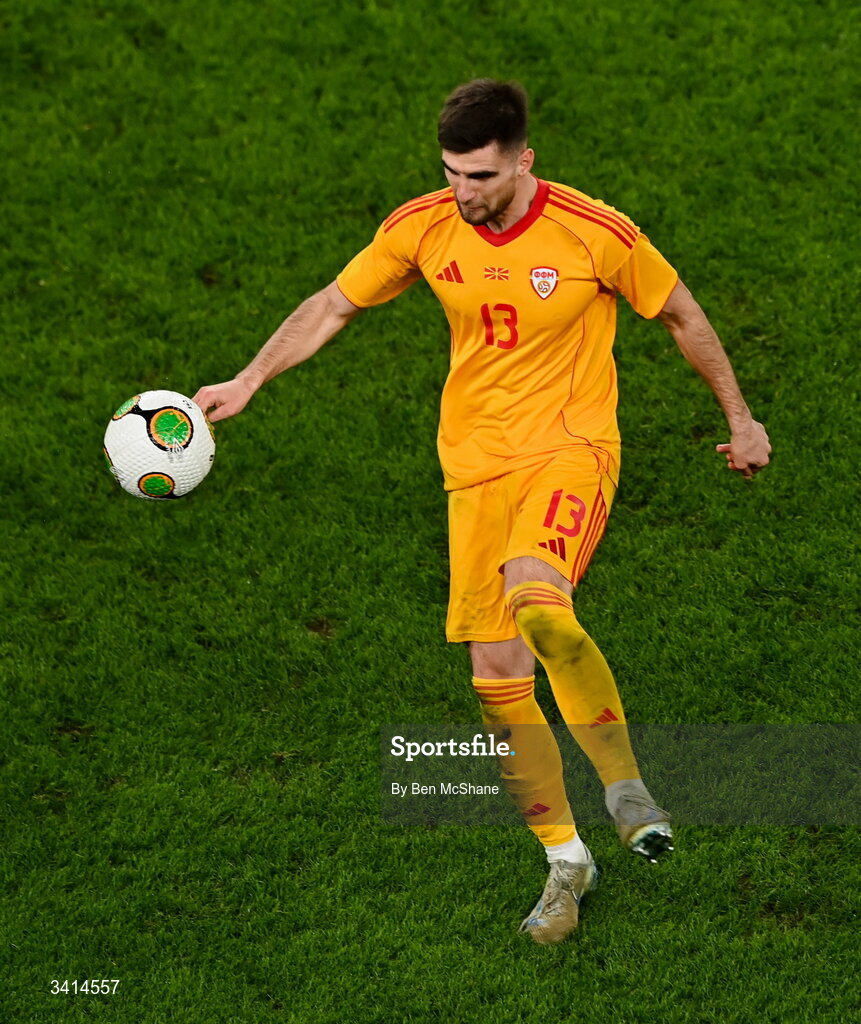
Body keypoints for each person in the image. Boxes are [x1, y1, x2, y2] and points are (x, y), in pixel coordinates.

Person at [194, 79, 771, 945]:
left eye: (482, 176)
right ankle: (566, 862)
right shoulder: (423, 226)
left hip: (570, 451)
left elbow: (680, 314)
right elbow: (334, 302)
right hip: (473, 474)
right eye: (453, 172)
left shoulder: (593, 232)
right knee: (496, 681)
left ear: (523, 159)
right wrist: (249, 378)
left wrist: (740, 417)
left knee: (539, 601)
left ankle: (625, 790)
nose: (465, 191)